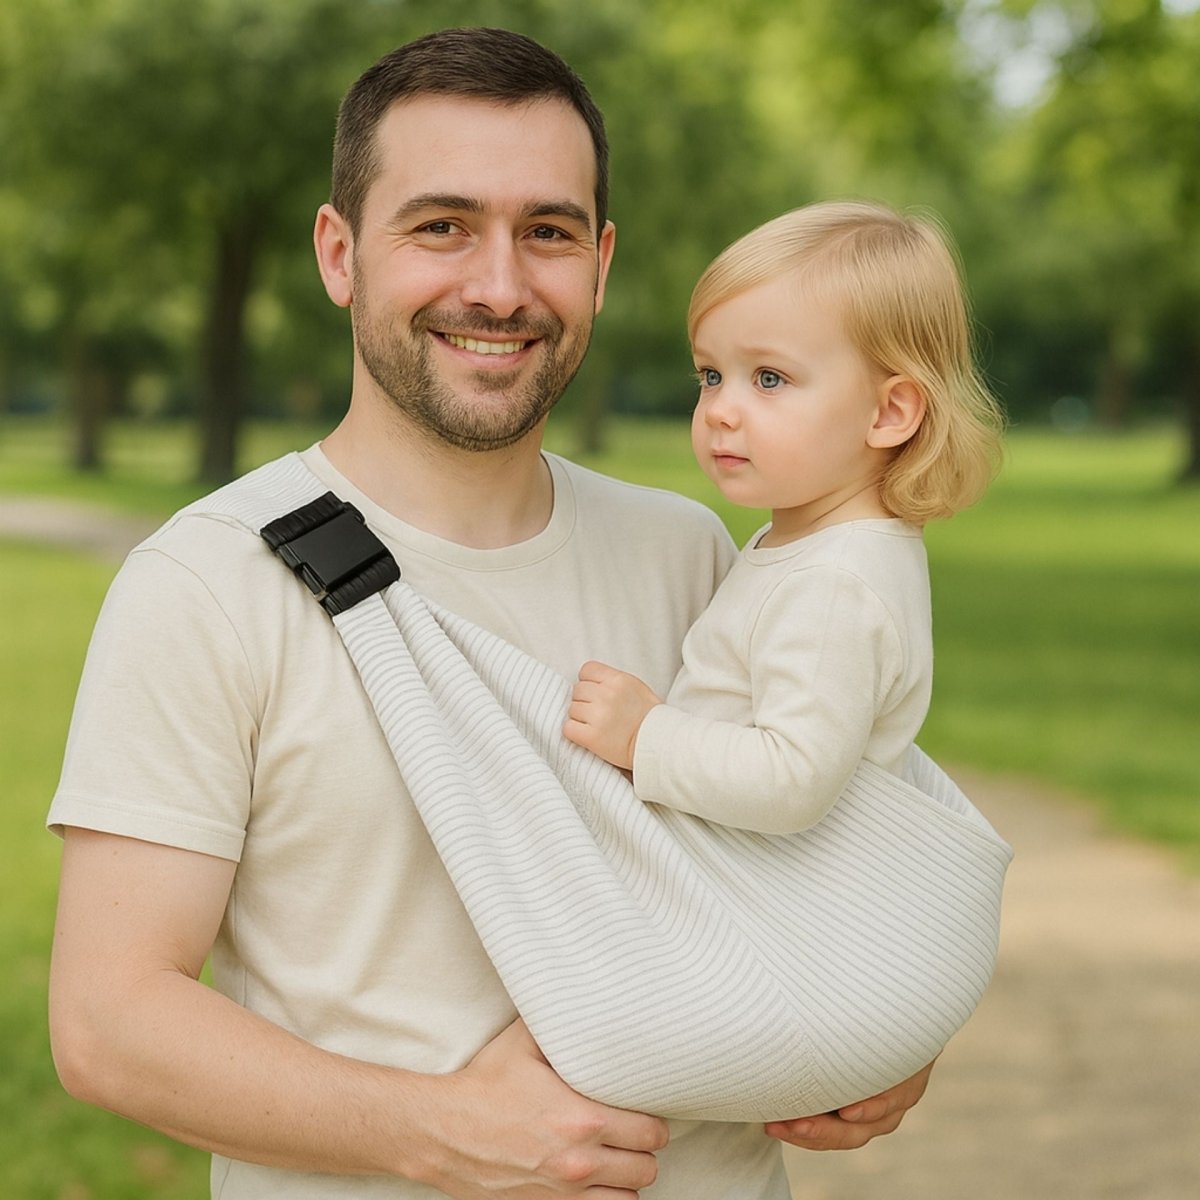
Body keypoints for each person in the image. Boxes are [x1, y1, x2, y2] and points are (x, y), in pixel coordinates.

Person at [47, 28, 934, 1200]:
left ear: (602, 264)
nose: (501, 286)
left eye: (549, 233)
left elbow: (821, 846)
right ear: (339, 251)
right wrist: (437, 1131)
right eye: (442, 225)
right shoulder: (207, 585)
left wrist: (880, 1038)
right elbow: (110, 1024)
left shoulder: (696, 552)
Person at [564, 200, 1004, 838]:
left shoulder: (835, 585)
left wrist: (644, 737)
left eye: (768, 378)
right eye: (711, 375)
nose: (720, 409)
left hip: (754, 912)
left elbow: (792, 781)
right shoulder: (818, 544)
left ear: (889, 413)